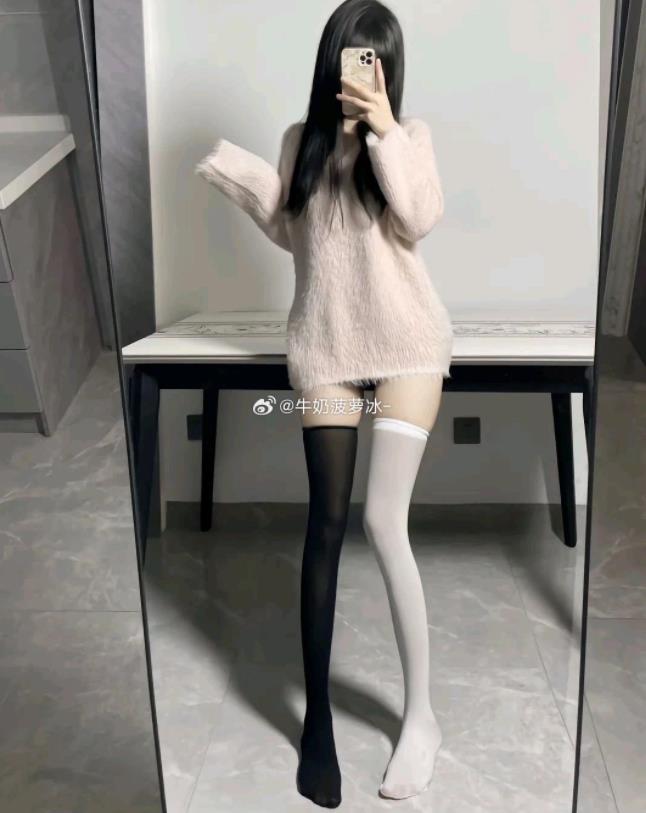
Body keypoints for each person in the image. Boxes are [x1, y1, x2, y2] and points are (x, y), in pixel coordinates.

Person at [195, 0, 452, 806]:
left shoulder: (408, 139)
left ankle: (422, 718)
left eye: (376, 60)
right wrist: (240, 175)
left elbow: (419, 217)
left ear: (390, 71)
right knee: (327, 523)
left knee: (384, 520)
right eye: (351, 55)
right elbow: (297, 233)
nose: (362, 71)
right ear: (330, 60)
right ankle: (317, 726)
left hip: (408, 341)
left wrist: (382, 132)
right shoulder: (298, 141)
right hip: (327, 346)